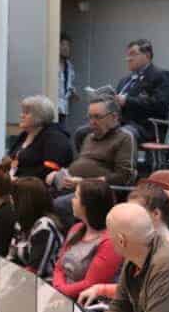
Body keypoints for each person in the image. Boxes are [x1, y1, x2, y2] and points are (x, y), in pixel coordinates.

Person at [76, 181, 169, 306]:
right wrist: (101, 289)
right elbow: (131, 289)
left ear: (156, 214)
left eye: (136, 212)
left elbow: (150, 297)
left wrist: (103, 290)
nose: (129, 217)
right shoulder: (140, 240)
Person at [47, 96, 136, 224]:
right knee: (36, 199)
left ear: (114, 117)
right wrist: (60, 174)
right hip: (74, 187)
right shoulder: (89, 137)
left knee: (57, 205)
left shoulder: (124, 138)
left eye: (97, 117)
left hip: (99, 194)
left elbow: (124, 177)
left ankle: (66, 242)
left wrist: (85, 182)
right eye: (90, 117)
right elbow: (81, 165)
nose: (92, 122)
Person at [50, 179, 121, 298]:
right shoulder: (76, 228)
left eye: (76, 196)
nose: (72, 200)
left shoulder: (109, 242)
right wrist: (57, 289)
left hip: (85, 303)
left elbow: (91, 284)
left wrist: (59, 292)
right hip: (60, 293)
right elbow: (59, 267)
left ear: (87, 205)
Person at [113, 39, 169, 143]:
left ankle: (124, 160)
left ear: (147, 55)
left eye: (133, 54)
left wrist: (127, 101)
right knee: (83, 132)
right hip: (119, 123)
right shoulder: (124, 80)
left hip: (145, 126)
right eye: (127, 55)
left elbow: (160, 105)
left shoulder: (161, 75)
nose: (128, 59)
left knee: (122, 135)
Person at [5, 95, 73, 180]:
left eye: (26, 113)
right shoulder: (25, 134)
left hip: (36, 187)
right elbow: (11, 159)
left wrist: (19, 179)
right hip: (16, 182)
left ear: (40, 116)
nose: (21, 116)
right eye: (22, 112)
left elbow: (50, 168)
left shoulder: (55, 137)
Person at [9, 178, 65, 279]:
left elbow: (35, 271)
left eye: (13, 198)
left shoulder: (45, 227)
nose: (11, 202)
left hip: (46, 285)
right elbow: (12, 255)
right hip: (22, 278)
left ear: (22, 202)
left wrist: (8, 278)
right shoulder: (20, 223)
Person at [57, 32, 78, 133]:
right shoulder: (52, 63)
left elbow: (68, 84)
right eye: (63, 44)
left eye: (68, 45)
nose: (66, 48)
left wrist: (73, 92)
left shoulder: (69, 66)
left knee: (62, 133)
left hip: (63, 108)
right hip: (52, 107)